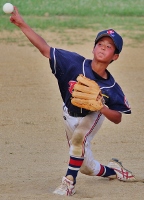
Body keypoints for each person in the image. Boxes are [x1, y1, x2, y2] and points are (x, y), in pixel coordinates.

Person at [10, 7, 136, 196]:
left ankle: (69, 182)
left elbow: (117, 118)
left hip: (92, 116)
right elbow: (45, 49)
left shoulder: (110, 87)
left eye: (109, 47)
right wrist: (21, 23)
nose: (103, 47)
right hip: (68, 114)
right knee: (86, 166)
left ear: (115, 56)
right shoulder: (74, 63)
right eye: (100, 43)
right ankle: (113, 170)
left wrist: (101, 107)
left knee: (78, 140)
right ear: (93, 48)